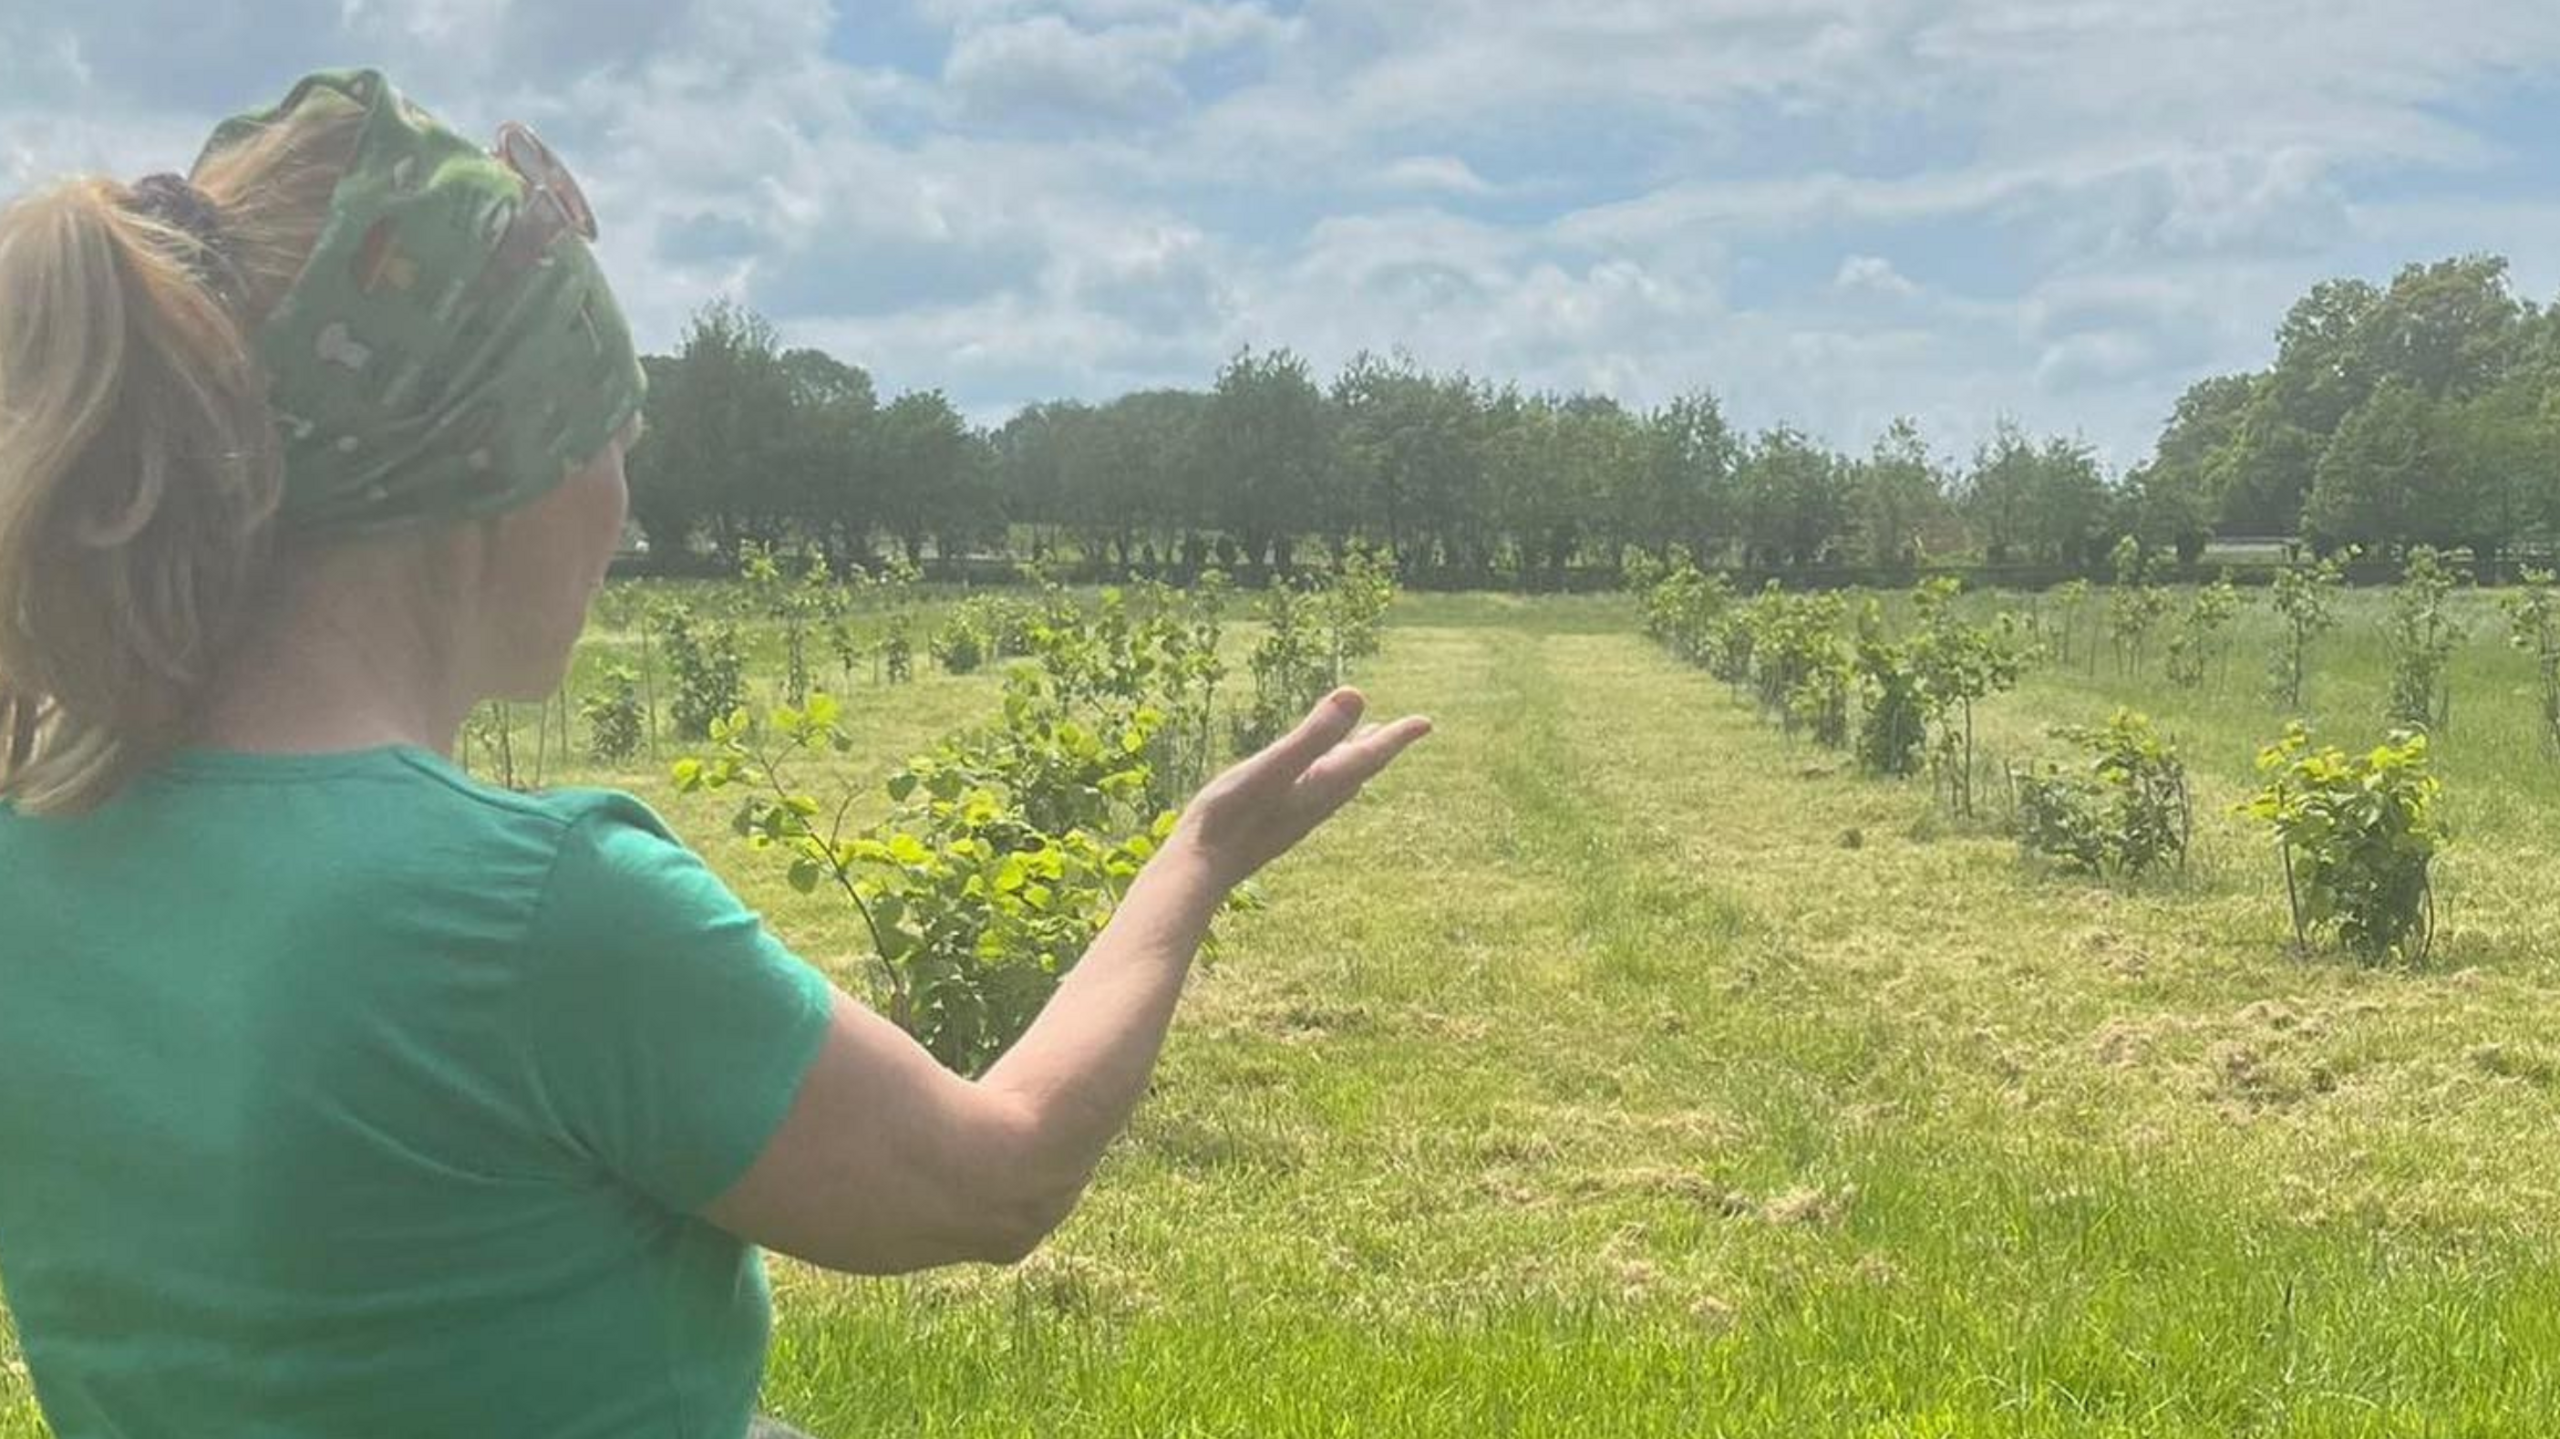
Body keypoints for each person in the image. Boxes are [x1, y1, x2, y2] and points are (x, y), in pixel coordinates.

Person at [0, 69, 1429, 1439]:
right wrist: (1193, 863)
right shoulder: (533, 908)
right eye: (615, 429)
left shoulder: (34, 854)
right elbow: (995, 1177)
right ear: (501, 463)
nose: (625, 509)